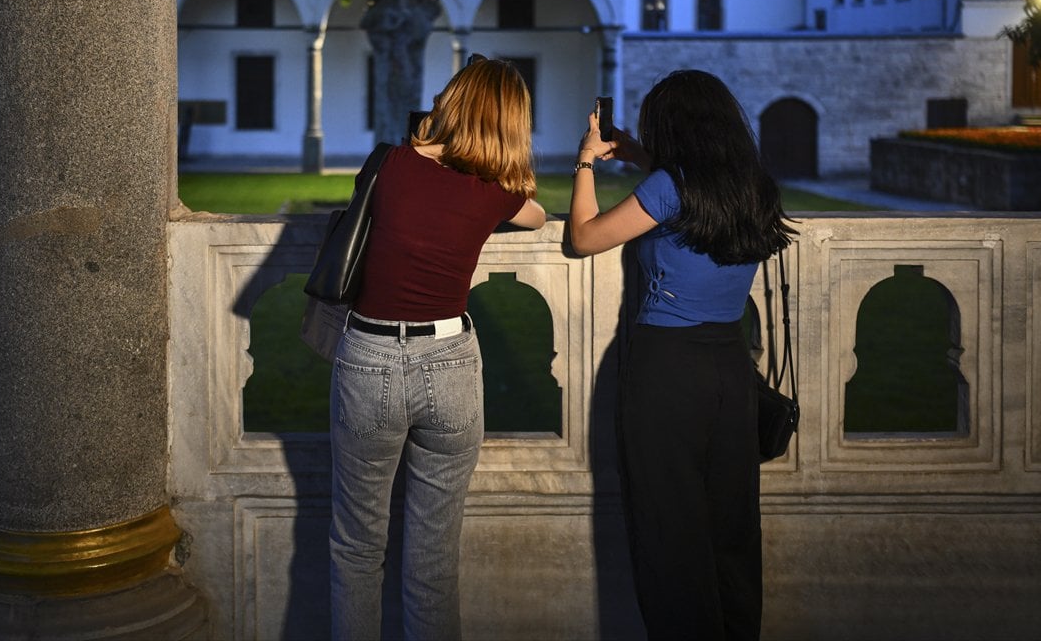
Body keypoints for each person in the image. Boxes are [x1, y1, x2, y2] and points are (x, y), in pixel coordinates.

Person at [568, 70, 794, 641]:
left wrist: (587, 163)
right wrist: (638, 154)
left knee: (669, 527)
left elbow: (586, 238)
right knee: (731, 525)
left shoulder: (673, 186)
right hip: (730, 366)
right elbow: (689, 191)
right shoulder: (753, 184)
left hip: (666, 370)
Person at [329, 56, 546, 640]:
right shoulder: (497, 191)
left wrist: (424, 138)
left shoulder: (392, 163)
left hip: (371, 356)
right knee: (432, 560)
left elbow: (378, 204)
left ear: (449, 101)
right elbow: (539, 215)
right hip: (450, 362)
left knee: (356, 546)